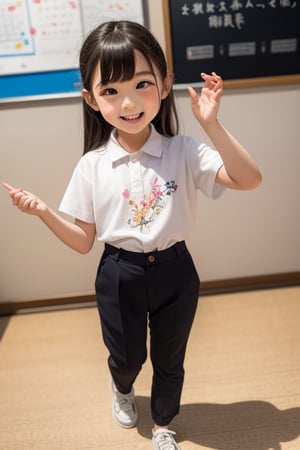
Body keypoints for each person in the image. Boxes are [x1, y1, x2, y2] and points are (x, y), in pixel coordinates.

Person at [2, 20, 261, 450]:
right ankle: (122, 386)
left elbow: (249, 179)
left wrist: (212, 124)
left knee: (170, 359)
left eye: (142, 84)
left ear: (165, 84)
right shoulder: (92, 165)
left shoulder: (184, 151)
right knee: (127, 358)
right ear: (90, 99)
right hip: (118, 273)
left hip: (176, 271)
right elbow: (84, 241)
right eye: (110, 91)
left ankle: (163, 425)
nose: (128, 102)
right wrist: (43, 211)